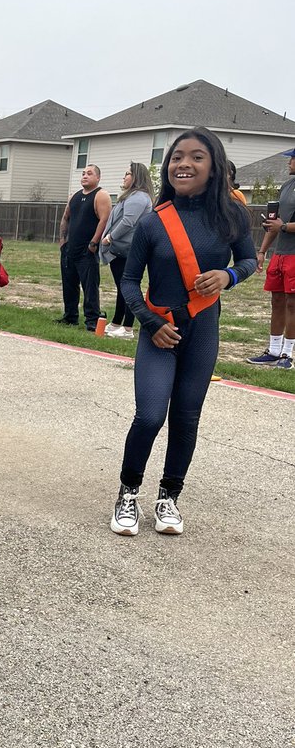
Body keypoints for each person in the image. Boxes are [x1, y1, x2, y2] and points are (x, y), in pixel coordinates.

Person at [110, 128, 256, 538]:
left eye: (196, 157)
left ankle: (168, 497)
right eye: (177, 157)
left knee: (187, 419)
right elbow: (128, 281)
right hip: (160, 333)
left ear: (214, 167)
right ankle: (128, 492)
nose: (184, 164)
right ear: (167, 166)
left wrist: (227, 276)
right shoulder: (154, 221)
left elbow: (248, 262)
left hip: (203, 333)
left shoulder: (232, 215)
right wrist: (150, 323)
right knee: (151, 415)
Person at [249, 147, 295, 372]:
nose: (289, 163)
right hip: (280, 254)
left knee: (292, 304)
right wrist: (262, 250)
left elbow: (281, 225)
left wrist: (284, 226)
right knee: (276, 302)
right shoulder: (286, 187)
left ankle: (288, 353)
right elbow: (275, 222)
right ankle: (273, 350)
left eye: (292, 159)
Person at [98, 163, 153, 339]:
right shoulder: (131, 196)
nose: (124, 177)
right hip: (120, 250)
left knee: (128, 288)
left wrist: (110, 237)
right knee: (122, 288)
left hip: (127, 250)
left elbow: (128, 221)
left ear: (136, 177)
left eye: (128, 174)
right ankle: (116, 323)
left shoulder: (138, 197)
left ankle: (128, 328)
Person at [56, 165, 111, 331]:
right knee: (69, 285)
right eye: (83, 173)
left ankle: (92, 320)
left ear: (98, 178)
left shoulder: (101, 195)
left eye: (89, 173)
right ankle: (70, 316)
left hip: (87, 251)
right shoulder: (74, 196)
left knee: (90, 287)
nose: (85, 176)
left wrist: (94, 243)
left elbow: (104, 220)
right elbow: (66, 218)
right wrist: (62, 240)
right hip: (69, 249)